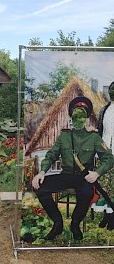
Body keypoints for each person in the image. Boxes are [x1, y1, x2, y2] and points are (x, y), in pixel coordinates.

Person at [32, 96, 114, 241]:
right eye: (76, 115)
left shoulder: (94, 138)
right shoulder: (64, 136)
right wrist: (42, 172)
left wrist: (96, 173)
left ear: (87, 118)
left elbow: (108, 158)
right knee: (40, 187)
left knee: (86, 193)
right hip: (66, 174)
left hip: (84, 177)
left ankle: (75, 224)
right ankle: (58, 223)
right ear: (71, 116)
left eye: (82, 116)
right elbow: (51, 155)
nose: (79, 119)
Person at [97, 81, 114, 229]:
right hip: (105, 152)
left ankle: (113, 217)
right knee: (104, 186)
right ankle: (106, 215)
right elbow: (99, 130)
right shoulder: (104, 110)